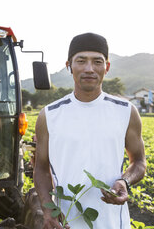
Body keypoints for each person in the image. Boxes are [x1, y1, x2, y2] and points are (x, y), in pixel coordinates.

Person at [33, 33, 146, 229]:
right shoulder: (49, 115)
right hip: (66, 222)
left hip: (113, 222)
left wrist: (125, 182)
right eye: (81, 61)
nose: (89, 69)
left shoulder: (126, 111)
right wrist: (48, 211)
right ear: (69, 66)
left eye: (97, 62)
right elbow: (41, 169)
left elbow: (139, 162)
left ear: (107, 67)